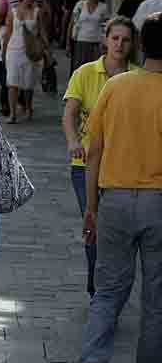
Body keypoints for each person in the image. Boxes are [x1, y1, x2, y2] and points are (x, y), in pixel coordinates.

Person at [77, 13, 162, 363]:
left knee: (108, 289)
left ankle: (94, 361)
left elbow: (93, 151)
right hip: (159, 203)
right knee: (156, 300)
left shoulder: (115, 86)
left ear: (140, 45)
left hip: (114, 199)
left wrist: (91, 207)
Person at [62, 17, 138, 299]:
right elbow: (70, 113)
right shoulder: (85, 73)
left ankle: (110, 286)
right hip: (85, 166)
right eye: (115, 38)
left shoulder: (137, 76)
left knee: (117, 232)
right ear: (105, 40)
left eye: (126, 39)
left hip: (122, 167)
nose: (119, 44)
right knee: (93, 222)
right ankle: (98, 288)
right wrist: (72, 141)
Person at [3, 0, 47, 123]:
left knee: (28, 84)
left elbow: (42, 31)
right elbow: (8, 33)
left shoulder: (37, 12)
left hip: (30, 51)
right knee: (12, 82)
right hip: (13, 50)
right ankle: (13, 113)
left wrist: (47, 50)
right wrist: (3, 52)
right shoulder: (13, 11)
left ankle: (28, 108)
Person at [69, 0, 109, 73]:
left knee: (94, 70)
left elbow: (106, 26)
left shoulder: (103, 7)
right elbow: (72, 23)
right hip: (81, 41)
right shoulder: (80, 5)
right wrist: (68, 43)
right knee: (79, 70)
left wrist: (105, 44)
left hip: (96, 43)